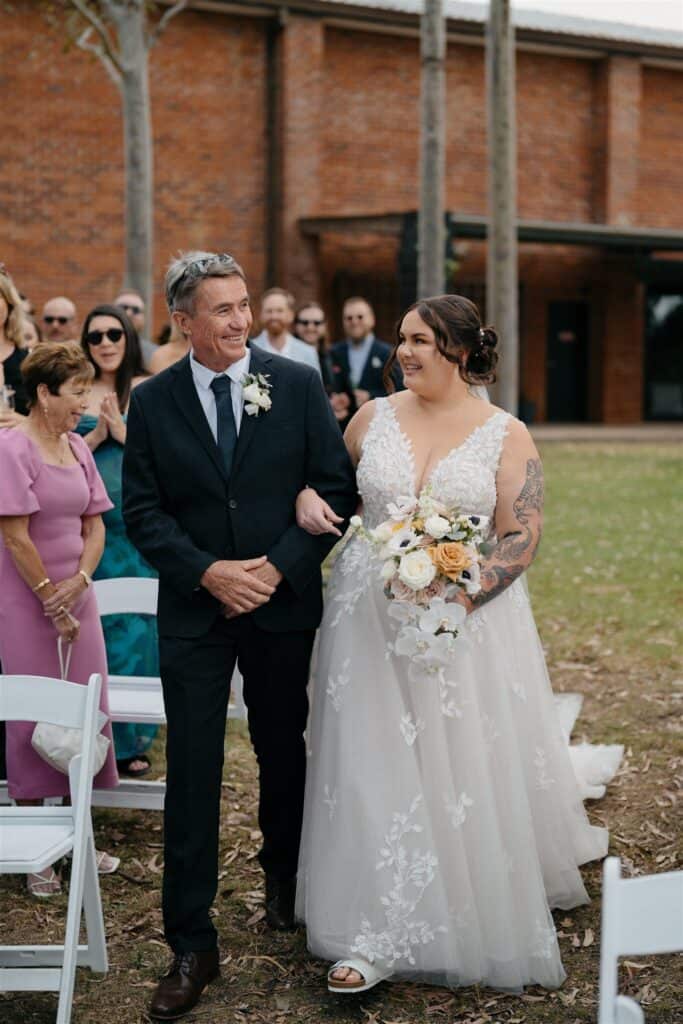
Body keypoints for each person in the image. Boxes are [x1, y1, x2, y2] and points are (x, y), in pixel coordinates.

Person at [295, 295, 622, 994]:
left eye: (420, 340)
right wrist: (306, 498)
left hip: (463, 622)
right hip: (364, 622)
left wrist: (462, 594)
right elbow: (333, 491)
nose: (404, 352)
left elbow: (519, 534)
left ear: (462, 350)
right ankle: (370, 921)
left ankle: (467, 892)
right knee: (368, 755)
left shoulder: (505, 434)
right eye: (401, 339)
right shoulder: (369, 418)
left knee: (456, 758)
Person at [122, 251, 356, 1021]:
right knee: (191, 769)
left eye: (243, 304)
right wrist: (209, 574)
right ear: (182, 321)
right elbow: (144, 512)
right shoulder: (152, 400)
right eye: (221, 310)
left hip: (280, 603)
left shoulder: (291, 384)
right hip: (195, 611)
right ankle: (191, 941)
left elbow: (333, 486)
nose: (240, 320)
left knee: (283, 748)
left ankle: (285, 881)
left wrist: (272, 570)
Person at [0, 342, 120, 897]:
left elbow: (95, 524)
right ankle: (33, 850)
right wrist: (49, 594)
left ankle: (80, 835)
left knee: (85, 707)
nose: (85, 403)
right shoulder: (12, 447)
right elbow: (14, 534)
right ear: (44, 393)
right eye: (76, 392)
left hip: (79, 594)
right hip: (25, 601)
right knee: (31, 714)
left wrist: (81, 583)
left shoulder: (77, 446)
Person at [76, 305, 159, 778]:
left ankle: (132, 739)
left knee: (135, 627)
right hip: (87, 523)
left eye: (113, 334)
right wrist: (98, 434)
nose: (105, 343)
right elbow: (60, 456)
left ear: (128, 337)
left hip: (136, 522)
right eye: (95, 337)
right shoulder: (78, 390)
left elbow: (166, 456)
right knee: (97, 629)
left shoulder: (148, 388)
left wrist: (122, 432)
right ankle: (94, 733)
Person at [294, 301, 356, 430]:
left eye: (317, 323)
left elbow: (349, 395)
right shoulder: (288, 356)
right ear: (296, 325)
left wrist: (344, 401)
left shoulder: (335, 356)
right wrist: (327, 406)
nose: (310, 327)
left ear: (324, 326)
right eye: (305, 322)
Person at [331, 296, 402, 407]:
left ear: (372, 319)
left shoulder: (388, 353)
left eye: (360, 317)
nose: (354, 322)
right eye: (349, 318)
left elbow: (399, 391)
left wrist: (371, 396)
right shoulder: (334, 352)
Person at [251, 287, 321, 373]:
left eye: (279, 311)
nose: (274, 316)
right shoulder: (250, 351)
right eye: (269, 311)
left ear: (291, 315)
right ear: (261, 315)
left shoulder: (308, 353)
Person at [0, 268, 29, 423]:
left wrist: (23, 422)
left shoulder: (28, 357)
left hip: (18, 443)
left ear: (10, 303)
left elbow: (42, 417)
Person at [114, 288, 156, 368]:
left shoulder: (156, 354)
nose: (129, 313)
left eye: (135, 310)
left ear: (144, 318)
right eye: (123, 308)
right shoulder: (97, 346)